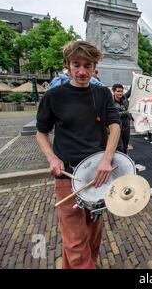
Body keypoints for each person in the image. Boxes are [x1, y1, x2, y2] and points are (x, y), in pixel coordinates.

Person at [35, 41, 121, 269]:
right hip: (68, 177)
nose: (82, 71)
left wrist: (106, 159)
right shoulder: (54, 96)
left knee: (92, 236)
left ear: (95, 68)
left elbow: (115, 126)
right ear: (68, 66)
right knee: (75, 243)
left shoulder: (103, 93)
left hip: (98, 177)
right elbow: (41, 133)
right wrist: (52, 158)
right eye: (76, 65)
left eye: (88, 65)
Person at [112, 83, 132, 154]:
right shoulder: (111, 101)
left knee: (125, 143)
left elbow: (131, 91)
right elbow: (115, 114)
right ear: (114, 91)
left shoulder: (125, 97)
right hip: (117, 126)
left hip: (126, 125)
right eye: (118, 91)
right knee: (119, 145)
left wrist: (136, 79)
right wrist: (126, 112)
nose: (120, 93)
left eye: (121, 91)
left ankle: (125, 158)